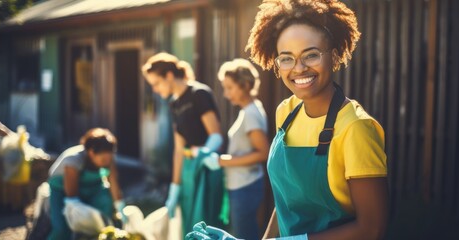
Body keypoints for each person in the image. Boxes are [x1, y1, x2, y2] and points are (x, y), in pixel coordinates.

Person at [186, 0, 388, 239]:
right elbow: (288, 202)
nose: (299, 68)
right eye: (286, 58)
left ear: (333, 57)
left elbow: (372, 229)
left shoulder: (356, 128)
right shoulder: (286, 112)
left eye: (311, 55)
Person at [141, 53, 228, 236]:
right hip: (188, 169)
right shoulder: (174, 104)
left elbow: (216, 135)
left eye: (156, 83)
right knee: (188, 224)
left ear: (169, 76)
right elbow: (179, 149)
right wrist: (174, 187)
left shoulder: (199, 94)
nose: (155, 90)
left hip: (206, 168)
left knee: (206, 224)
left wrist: (203, 153)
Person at [200, 58, 269, 240]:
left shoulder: (251, 113)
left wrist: (221, 161)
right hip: (242, 185)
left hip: (245, 186)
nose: (225, 94)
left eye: (229, 87)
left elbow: (264, 153)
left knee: (244, 236)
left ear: (245, 85)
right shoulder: (249, 110)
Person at [47, 128, 125, 240]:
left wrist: (120, 208)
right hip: (63, 192)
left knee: (105, 214)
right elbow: (72, 197)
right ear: (91, 153)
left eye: (110, 157)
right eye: (103, 159)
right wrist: (84, 220)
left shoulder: (108, 159)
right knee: (61, 230)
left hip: (93, 188)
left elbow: (113, 186)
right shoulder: (73, 160)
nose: (107, 162)